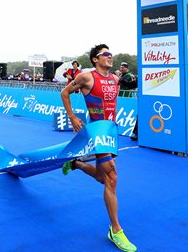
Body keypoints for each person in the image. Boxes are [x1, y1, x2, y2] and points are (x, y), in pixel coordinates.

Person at [60, 44, 137, 252]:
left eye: (111, 54)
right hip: (97, 132)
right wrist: (73, 117)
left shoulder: (115, 79)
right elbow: (65, 92)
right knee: (112, 179)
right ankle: (115, 229)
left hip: (110, 131)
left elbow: (113, 103)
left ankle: (75, 164)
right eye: (106, 54)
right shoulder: (86, 77)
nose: (110, 57)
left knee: (103, 178)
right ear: (95, 59)